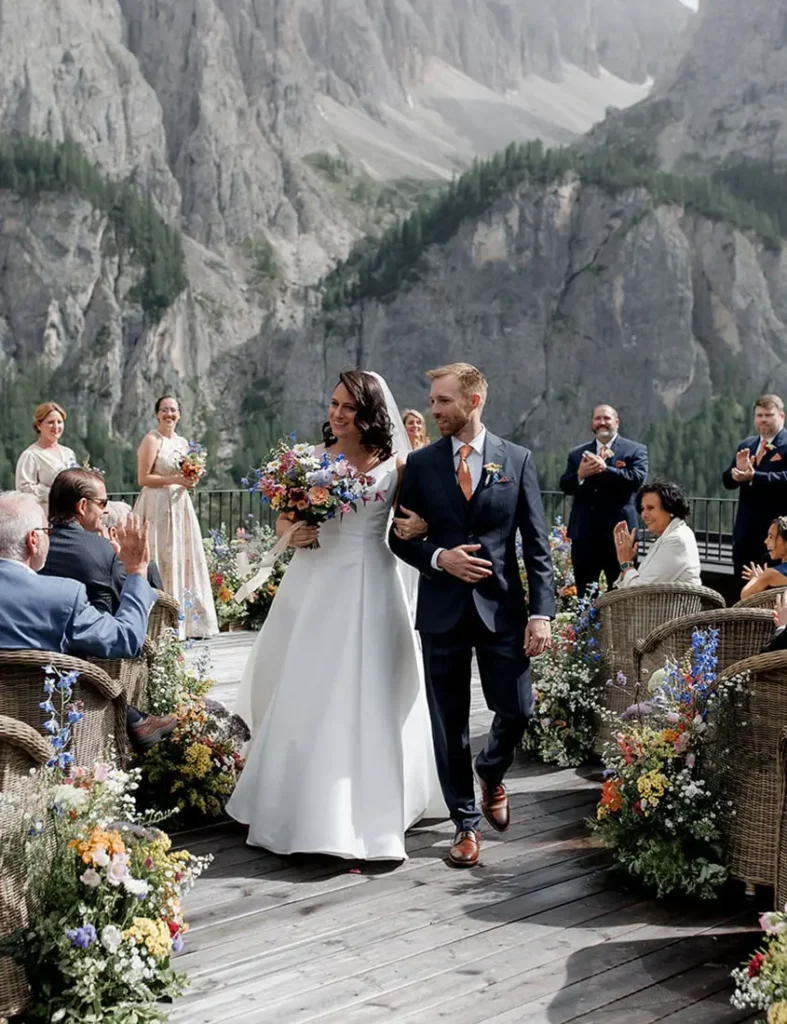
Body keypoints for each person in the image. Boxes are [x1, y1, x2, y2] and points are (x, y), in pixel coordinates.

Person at [227, 371, 444, 861]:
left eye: (348, 406)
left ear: (369, 413)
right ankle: (294, 807)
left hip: (371, 581)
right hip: (316, 583)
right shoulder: (310, 461)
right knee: (307, 684)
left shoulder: (400, 465)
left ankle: (366, 811)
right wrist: (292, 530)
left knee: (368, 690)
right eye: (333, 404)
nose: (337, 413)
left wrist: (424, 523)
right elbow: (285, 516)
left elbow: (424, 515)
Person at [389, 363, 555, 869]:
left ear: (474, 399)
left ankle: (492, 768)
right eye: (433, 401)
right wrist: (440, 556)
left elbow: (537, 546)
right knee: (449, 724)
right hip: (442, 613)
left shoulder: (517, 460)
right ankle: (465, 823)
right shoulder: (420, 466)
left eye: (443, 401)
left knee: (518, 709)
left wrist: (541, 614)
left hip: (504, 610)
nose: (433, 410)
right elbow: (399, 537)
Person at [134, 394, 218, 638]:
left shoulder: (182, 442)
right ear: (157, 413)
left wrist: (190, 479)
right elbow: (143, 478)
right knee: (159, 555)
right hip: (156, 504)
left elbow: (184, 472)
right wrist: (175, 480)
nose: (168, 414)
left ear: (179, 414)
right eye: (164, 410)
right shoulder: (152, 439)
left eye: (173, 410)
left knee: (182, 558)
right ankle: (158, 620)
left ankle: (187, 621)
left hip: (179, 505)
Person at [40, 469, 163, 612]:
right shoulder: (107, 553)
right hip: (94, 631)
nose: (106, 511)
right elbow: (129, 607)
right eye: (102, 503)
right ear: (82, 506)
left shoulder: (33, 549)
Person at [559, 404, 648, 597]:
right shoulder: (577, 453)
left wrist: (606, 469)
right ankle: (586, 627)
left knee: (621, 594)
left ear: (616, 422)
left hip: (620, 537)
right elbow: (565, 486)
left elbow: (637, 480)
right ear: (592, 423)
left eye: (606, 418)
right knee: (584, 594)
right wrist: (580, 475)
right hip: (584, 535)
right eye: (597, 418)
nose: (602, 422)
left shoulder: (635, 450)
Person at [723, 395, 787, 582]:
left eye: (769, 415)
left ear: (781, 416)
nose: (763, 419)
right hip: (745, 534)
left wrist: (755, 476)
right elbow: (727, 480)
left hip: (777, 536)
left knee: (771, 592)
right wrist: (736, 473)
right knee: (741, 588)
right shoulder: (747, 445)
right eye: (759, 415)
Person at [612, 481, 701, 588]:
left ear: (670, 509)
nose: (644, 514)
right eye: (643, 509)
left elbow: (640, 591)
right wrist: (628, 563)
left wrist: (625, 563)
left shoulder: (676, 541)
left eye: (650, 508)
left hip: (668, 604)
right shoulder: (672, 535)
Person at [15, 402, 77, 510]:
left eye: (59, 422)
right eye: (50, 422)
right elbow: (24, 489)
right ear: (39, 425)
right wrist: (54, 492)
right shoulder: (30, 455)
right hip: (44, 517)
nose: (56, 426)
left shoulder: (68, 453)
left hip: (70, 514)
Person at [740, 517, 787, 600]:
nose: (766, 541)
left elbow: (744, 595)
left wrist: (757, 578)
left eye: (771, 537)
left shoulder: (771, 574)